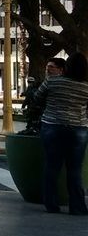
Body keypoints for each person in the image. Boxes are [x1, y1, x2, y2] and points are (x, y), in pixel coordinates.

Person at [27, 53, 88, 214]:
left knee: (52, 166)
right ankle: (77, 206)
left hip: (52, 126)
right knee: (75, 169)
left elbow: (37, 99)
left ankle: (51, 205)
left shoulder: (53, 82)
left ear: (66, 67)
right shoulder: (85, 86)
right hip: (78, 128)